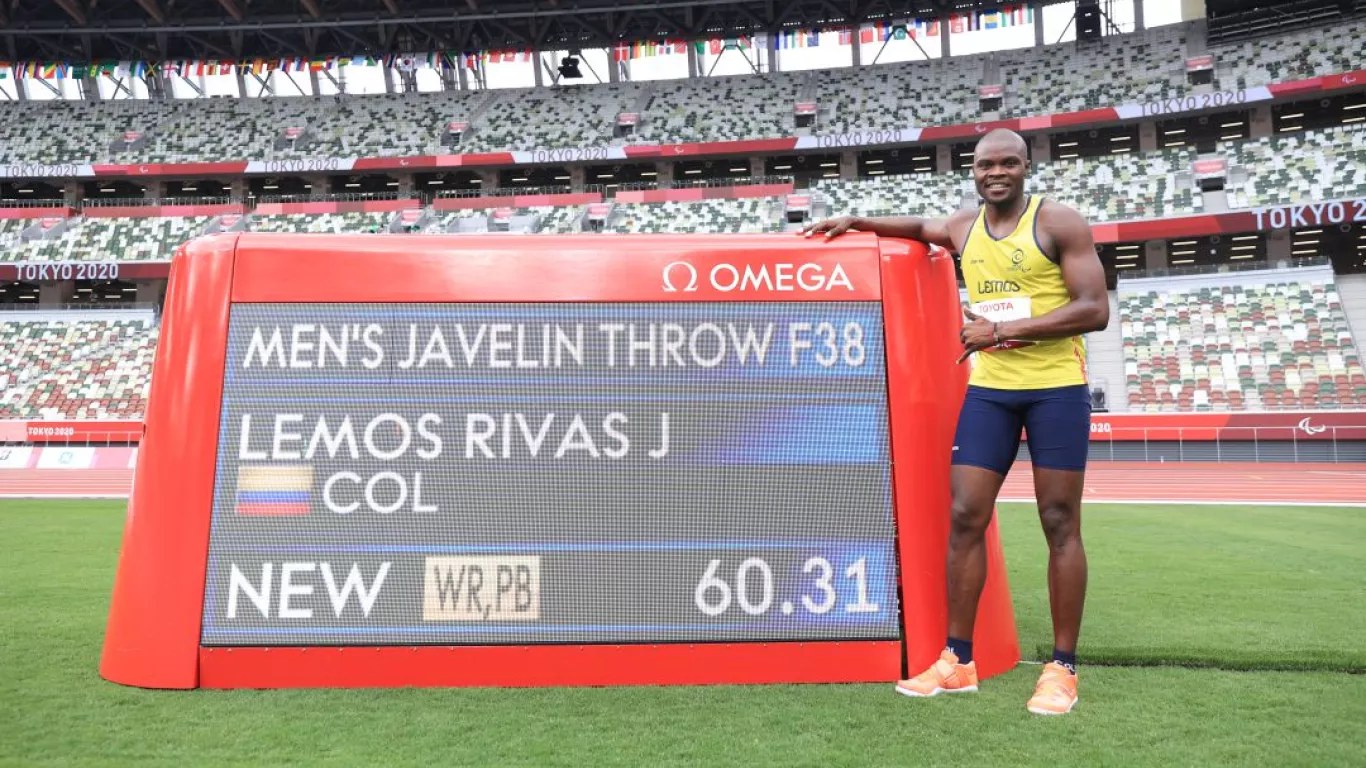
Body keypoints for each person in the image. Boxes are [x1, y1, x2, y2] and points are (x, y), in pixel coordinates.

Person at [802, 129, 1109, 716]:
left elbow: (1094, 309)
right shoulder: (964, 227)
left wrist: (999, 332)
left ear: (1025, 167)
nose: (997, 172)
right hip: (990, 392)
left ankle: (1062, 668)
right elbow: (920, 229)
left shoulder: (1059, 222)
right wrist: (859, 220)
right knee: (966, 515)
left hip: (1055, 391)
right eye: (986, 164)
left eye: (1008, 163)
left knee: (1059, 520)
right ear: (973, 171)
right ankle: (957, 659)